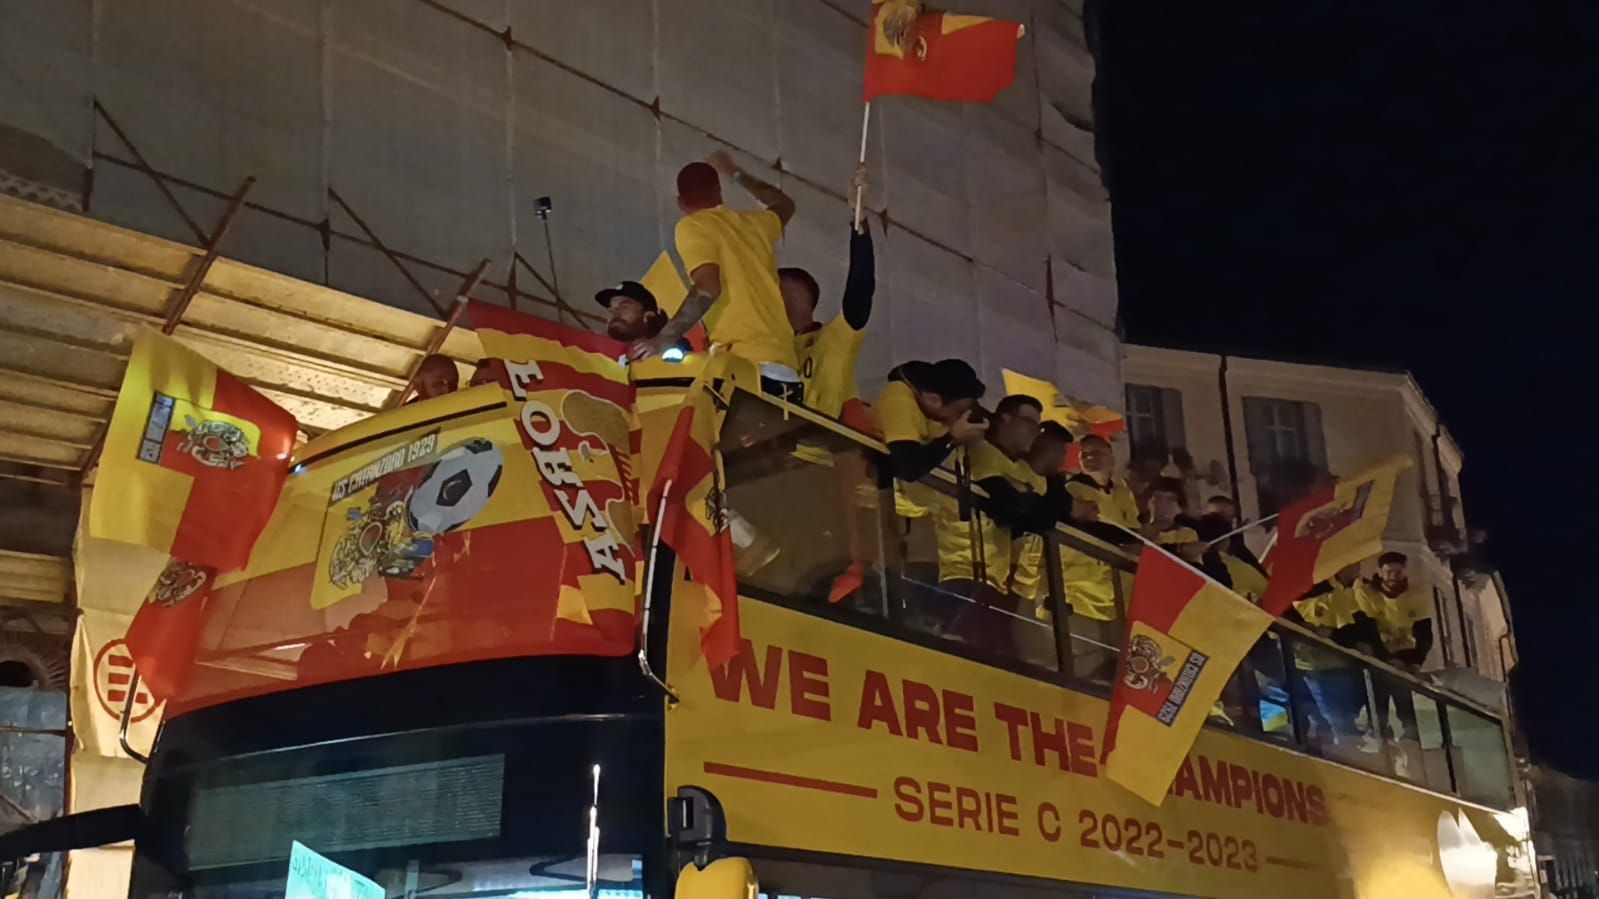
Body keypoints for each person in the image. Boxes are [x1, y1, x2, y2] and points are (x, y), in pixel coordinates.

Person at [630, 152, 802, 401]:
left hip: (744, 368)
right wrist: (735, 173)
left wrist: (663, 340)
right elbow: (785, 204)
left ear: (680, 203)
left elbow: (708, 288)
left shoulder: (692, 226)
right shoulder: (755, 224)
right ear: (719, 191)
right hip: (785, 367)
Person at [933, 395, 1044, 655]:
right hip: (964, 573)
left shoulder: (1016, 466)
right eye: (1029, 423)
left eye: (1037, 427)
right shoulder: (981, 450)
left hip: (993, 581)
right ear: (1005, 419)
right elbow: (1007, 504)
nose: (1034, 432)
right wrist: (1025, 501)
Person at [781, 166, 876, 424]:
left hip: (813, 447)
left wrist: (859, 218)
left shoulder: (831, 342)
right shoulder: (768, 342)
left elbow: (860, 293)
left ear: (798, 298)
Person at [1356, 551, 1434, 743]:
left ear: (1404, 571)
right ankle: (1380, 728)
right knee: (1379, 685)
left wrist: (1417, 661)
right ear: (1379, 572)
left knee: (1400, 684)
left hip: (1405, 653)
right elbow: (1368, 628)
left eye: (1398, 572)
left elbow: (1424, 632)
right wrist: (1386, 657)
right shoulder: (1366, 593)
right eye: (1388, 572)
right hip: (1376, 652)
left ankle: (1407, 729)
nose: (1393, 577)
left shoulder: (1416, 595)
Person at [874, 359, 989, 481]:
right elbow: (908, 468)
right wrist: (952, 438)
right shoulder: (899, 401)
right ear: (932, 400)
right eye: (958, 413)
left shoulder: (920, 401)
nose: (960, 420)